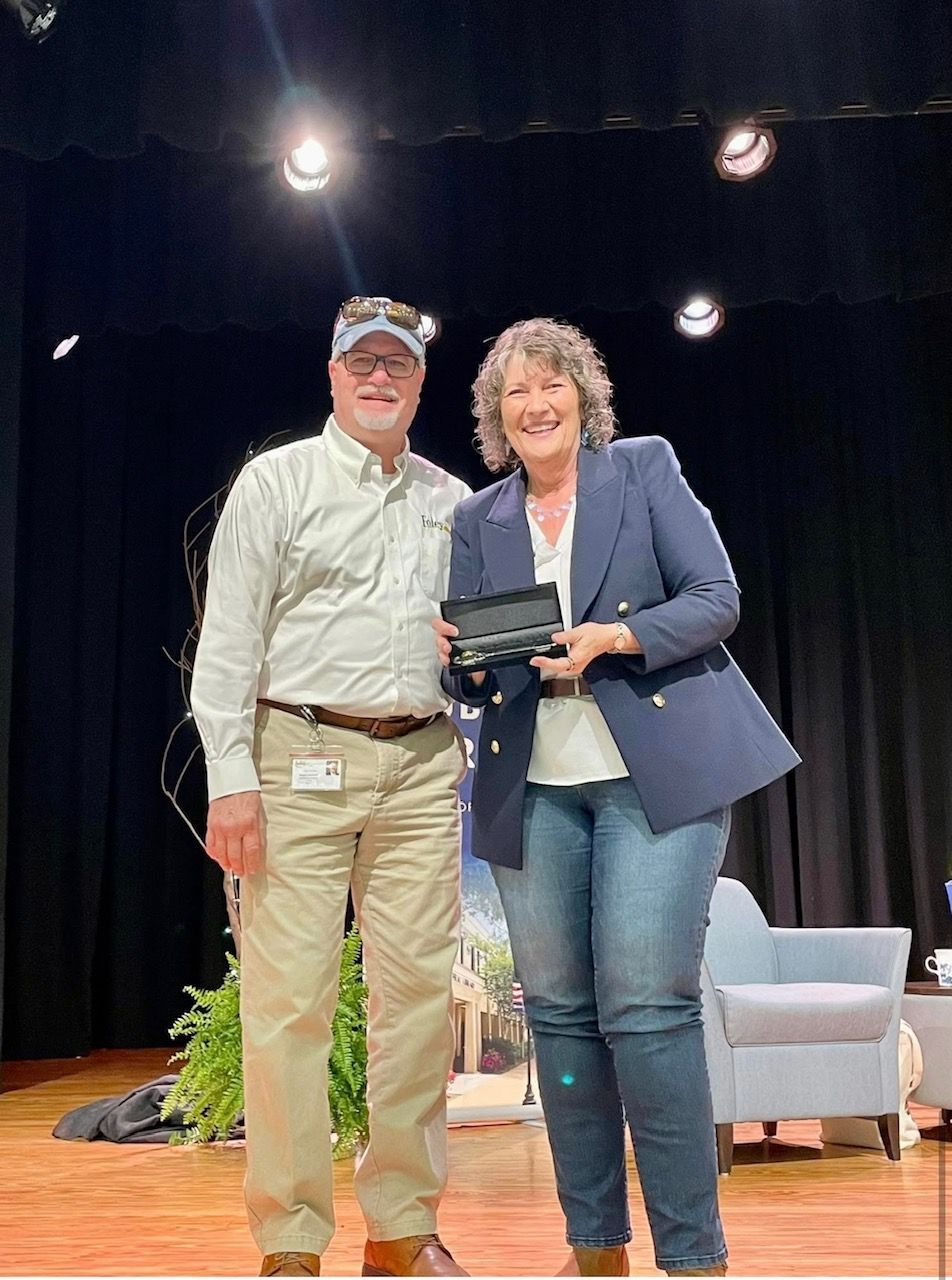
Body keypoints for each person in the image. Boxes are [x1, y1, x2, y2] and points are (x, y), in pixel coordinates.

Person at [434, 318, 799, 1278]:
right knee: (557, 1013)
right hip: (534, 787)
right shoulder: (479, 520)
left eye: (552, 384)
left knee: (645, 1004)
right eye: (515, 392)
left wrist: (614, 641)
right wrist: (459, 664)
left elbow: (714, 595)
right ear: (495, 416)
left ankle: (693, 1256)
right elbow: (477, 681)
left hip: (653, 775)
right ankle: (594, 1247)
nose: (536, 403)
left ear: (583, 396)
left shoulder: (642, 470)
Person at [191, 297, 472, 1279]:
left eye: (399, 363)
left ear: (420, 381)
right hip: (295, 761)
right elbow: (226, 641)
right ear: (332, 373)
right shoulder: (276, 483)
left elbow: (475, 644)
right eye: (364, 362)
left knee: (417, 1006)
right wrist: (231, 778)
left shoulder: (454, 499)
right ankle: (292, 1239)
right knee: (288, 1009)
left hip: (422, 766)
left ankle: (400, 1226)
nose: (380, 377)